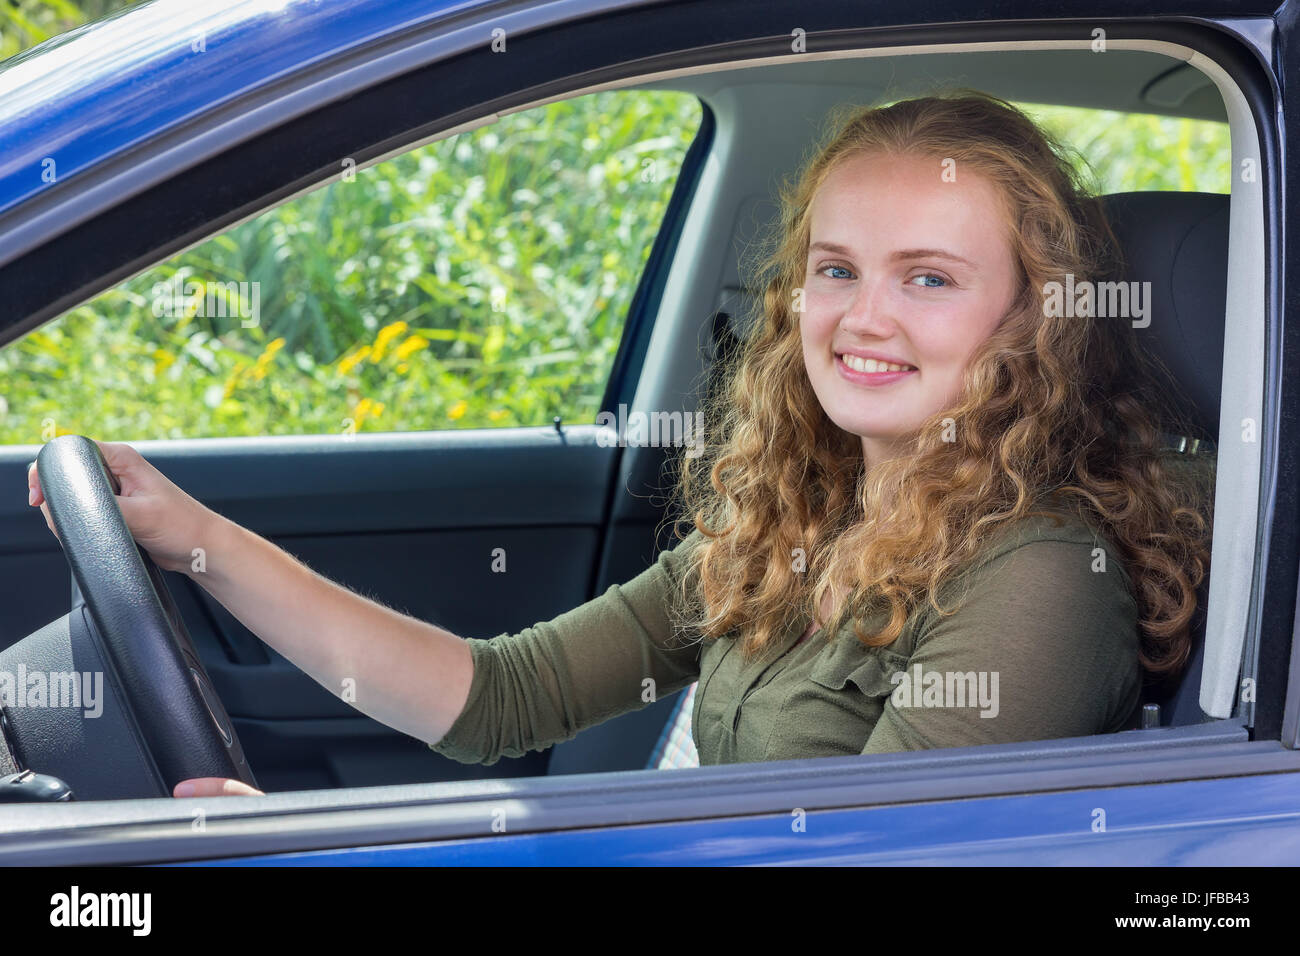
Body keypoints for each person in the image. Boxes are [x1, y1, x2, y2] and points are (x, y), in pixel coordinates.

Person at [25, 91, 1211, 798]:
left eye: (930, 279)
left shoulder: (1044, 578)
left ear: (1029, 319)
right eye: (835, 269)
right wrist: (198, 543)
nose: (863, 317)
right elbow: (498, 696)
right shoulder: (809, 512)